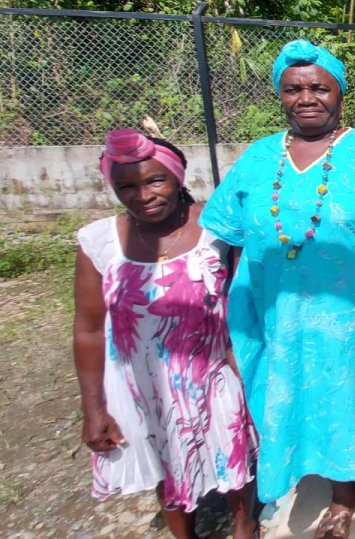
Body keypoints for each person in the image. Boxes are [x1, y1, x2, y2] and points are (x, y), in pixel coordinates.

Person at [200, 40, 355, 539]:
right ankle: (342, 495)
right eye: (293, 88)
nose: (306, 97)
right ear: (280, 95)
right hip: (283, 316)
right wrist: (232, 321)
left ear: (340, 94)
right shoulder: (259, 157)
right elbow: (229, 241)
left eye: (319, 87)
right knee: (314, 398)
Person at [74, 129, 257, 539]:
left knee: (235, 454)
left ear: (177, 176)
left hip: (213, 370)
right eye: (126, 187)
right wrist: (94, 409)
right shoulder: (99, 242)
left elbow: (245, 295)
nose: (143, 195)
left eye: (155, 180)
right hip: (141, 384)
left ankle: (245, 520)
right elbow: (87, 330)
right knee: (164, 461)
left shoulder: (217, 227)